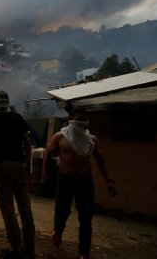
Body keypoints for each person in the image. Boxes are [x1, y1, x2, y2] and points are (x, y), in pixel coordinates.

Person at [41, 106, 117, 259]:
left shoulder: (92, 140)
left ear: (87, 121)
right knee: (62, 213)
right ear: (71, 119)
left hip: (85, 180)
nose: (80, 122)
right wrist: (44, 175)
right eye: (78, 119)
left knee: (86, 217)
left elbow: (100, 161)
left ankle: (84, 251)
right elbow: (48, 155)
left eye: (83, 119)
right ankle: (58, 231)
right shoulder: (60, 137)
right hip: (65, 179)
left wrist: (108, 180)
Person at [0, 90, 35, 259]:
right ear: (7, 103)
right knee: (26, 209)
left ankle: (15, 250)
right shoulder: (18, 118)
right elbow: (27, 144)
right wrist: (28, 166)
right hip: (20, 166)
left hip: (2, 167)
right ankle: (30, 250)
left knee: (8, 209)